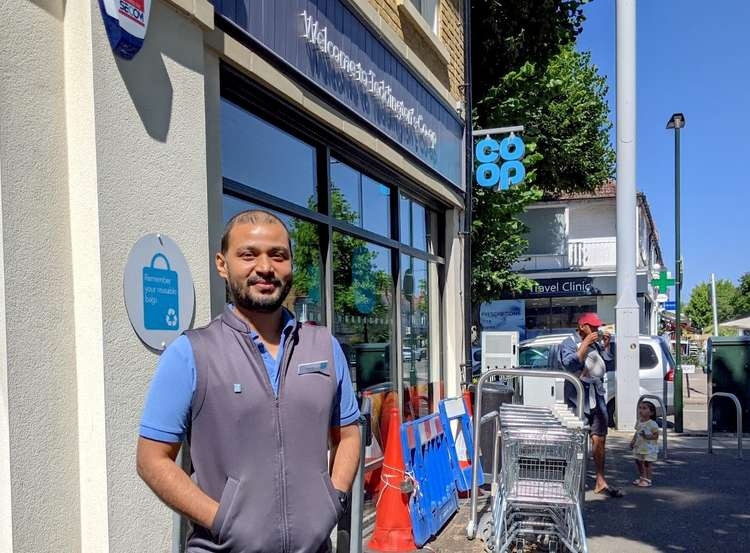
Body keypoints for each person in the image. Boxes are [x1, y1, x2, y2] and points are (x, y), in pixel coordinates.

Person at [137, 209, 361, 553]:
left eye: (278, 255)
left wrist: (333, 500)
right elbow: (152, 459)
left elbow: (347, 435)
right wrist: (221, 519)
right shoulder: (191, 353)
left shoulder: (324, 347)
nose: (265, 267)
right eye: (248, 254)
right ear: (222, 264)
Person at [559, 312, 623, 498]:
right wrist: (585, 343)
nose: (596, 329)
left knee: (600, 438)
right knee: (576, 440)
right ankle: (570, 482)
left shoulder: (596, 343)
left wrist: (606, 347)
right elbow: (570, 365)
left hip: (597, 396)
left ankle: (600, 480)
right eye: (592, 326)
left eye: (597, 327)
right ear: (582, 326)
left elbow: (609, 365)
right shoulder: (569, 342)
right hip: (577, 398)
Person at [630, 401, 660, 487]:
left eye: (644, 408)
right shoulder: (639, 421)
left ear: (651, 412)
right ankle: (642, 477)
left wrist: (647, 436)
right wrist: (633, 441)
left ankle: (648, 479)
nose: (641, 410)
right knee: (638, 461)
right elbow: (637, 432)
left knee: (647, 463)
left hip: (648, 448)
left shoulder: (652, 424)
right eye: (640, 408)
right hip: (639, 446)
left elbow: (656, 436)